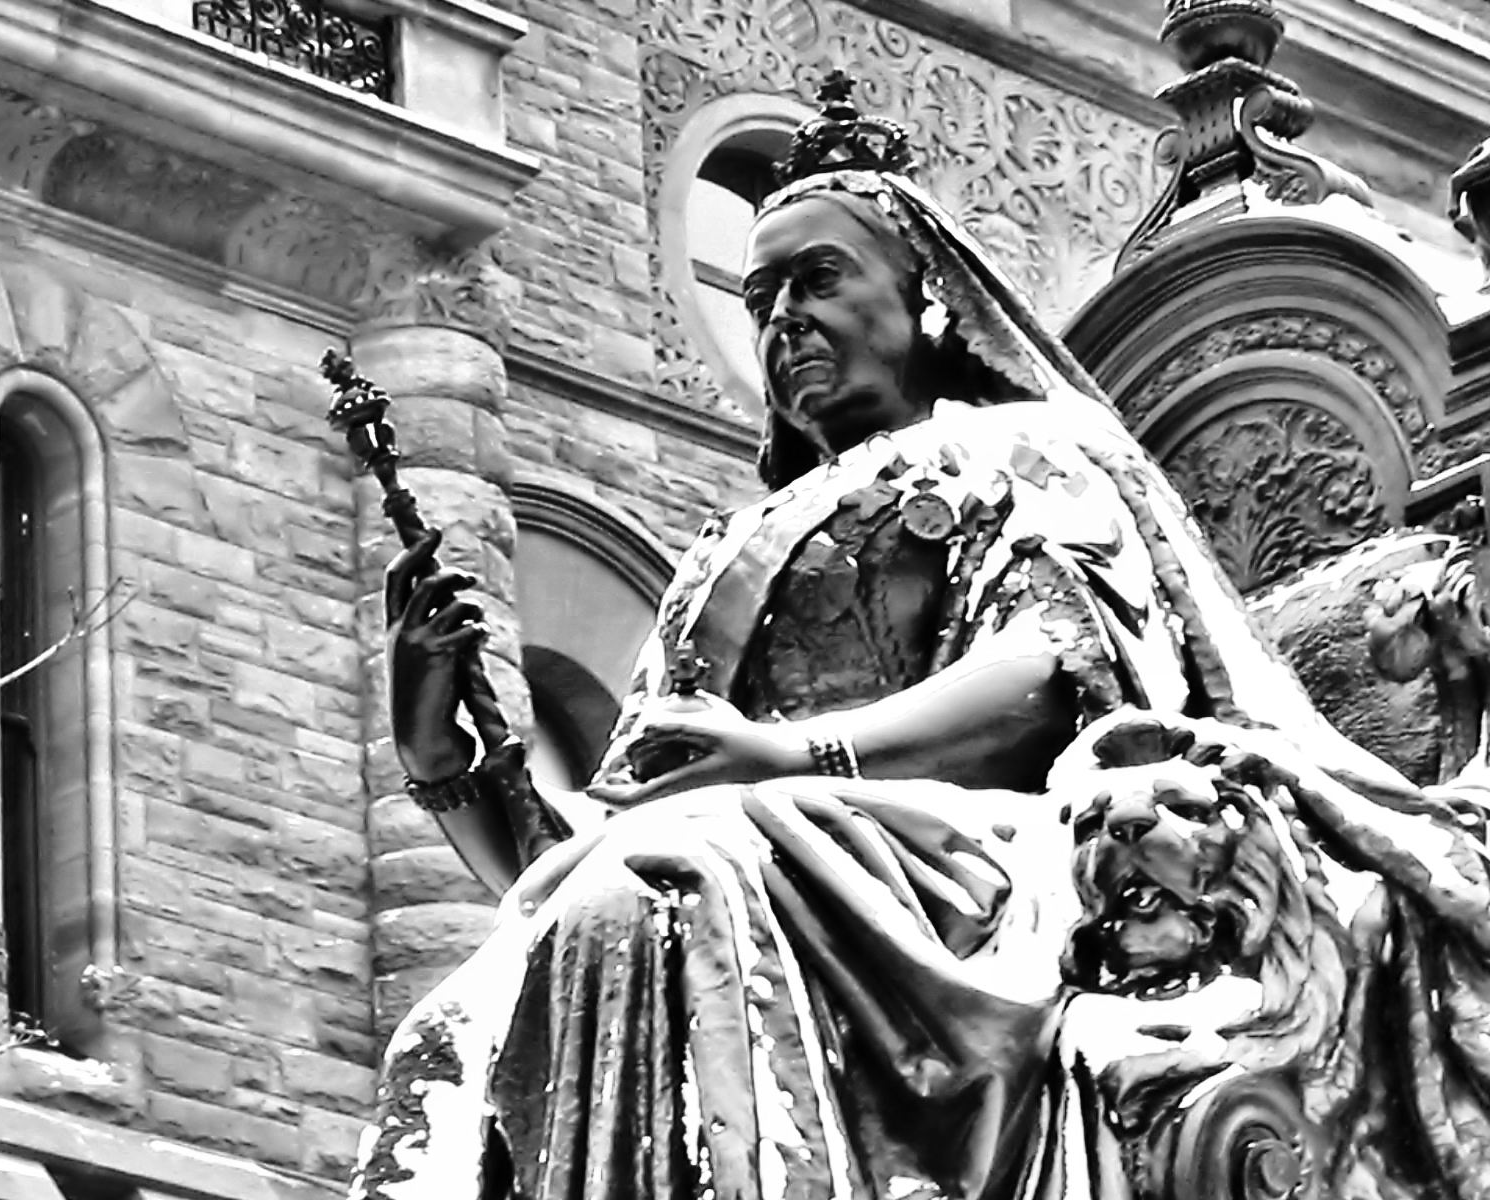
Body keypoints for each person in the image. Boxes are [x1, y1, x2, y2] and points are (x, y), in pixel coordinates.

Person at [351, 76, 1490, 1200]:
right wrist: (444, 762)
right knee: (465, 1020)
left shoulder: (1020, 448)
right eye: (759, 296)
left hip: (973, 848)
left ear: (927, 297)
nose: (782, 315)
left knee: (670, 885)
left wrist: (798, 759)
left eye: (818, 278)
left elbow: (1052, 666)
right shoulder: (723, 546)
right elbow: (586, 850)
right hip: (765, 843)